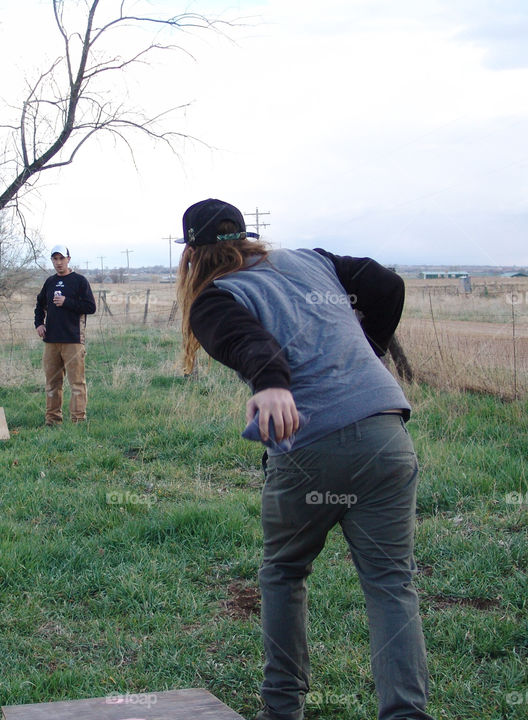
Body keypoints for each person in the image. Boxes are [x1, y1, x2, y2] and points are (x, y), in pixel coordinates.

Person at [176, 198, 432, 720]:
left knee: (284, 573)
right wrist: (368, 348)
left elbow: (249, 342)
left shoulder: (213, 297)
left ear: (191, 253)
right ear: (244, 235)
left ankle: (282, 709)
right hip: (387, 429)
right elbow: (386, 284)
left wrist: (272, 385)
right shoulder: (311, 259)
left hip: (312, 444)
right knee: (391, 582)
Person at [34, 245, 96, 425]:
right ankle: (53, 420)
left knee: (77, 383)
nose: (58, 262)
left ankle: (78, 419)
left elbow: (90, 307)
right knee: (52, 383)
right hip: (51, 340)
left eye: (62, 258)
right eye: (55, 259)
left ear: (68, 259)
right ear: (52, 261)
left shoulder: (79, 281)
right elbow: (39, 305)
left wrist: (66, 302)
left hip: (73, 340)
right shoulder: (50, 282)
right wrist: (39, 323)